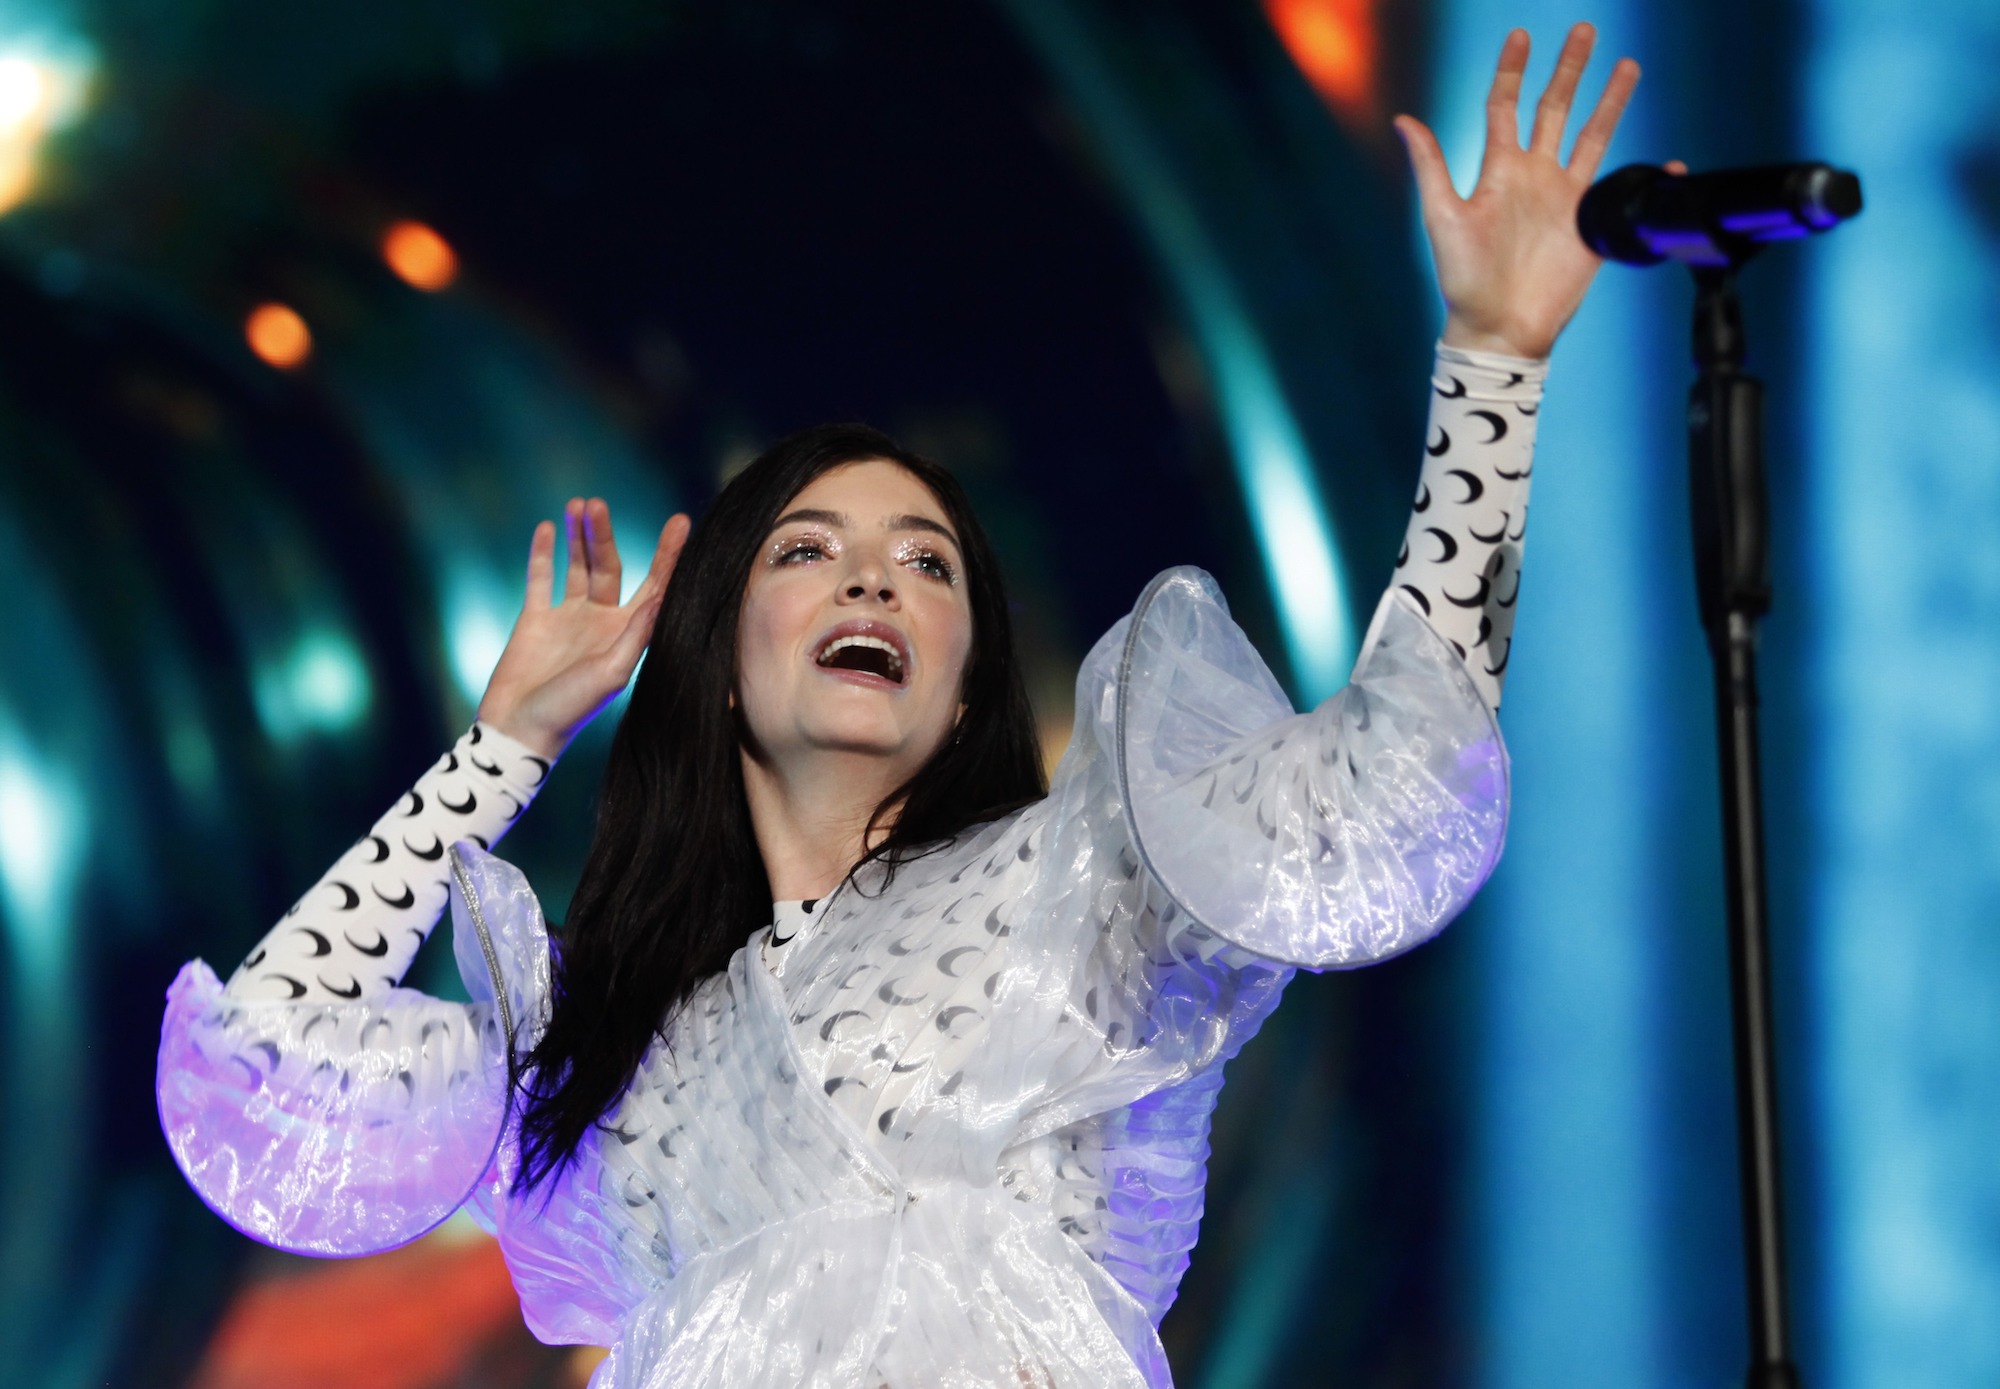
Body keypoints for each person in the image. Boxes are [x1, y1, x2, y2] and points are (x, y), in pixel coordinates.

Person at [158, 25, 1649, 1388]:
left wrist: (1494, 368)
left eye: (924, 563)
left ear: (963, 671)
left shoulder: (1087, 891)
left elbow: (1389, 792)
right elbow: (267, 1077)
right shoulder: (610, 1044)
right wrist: (504, 746)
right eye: (810, 552)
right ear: (720, 653)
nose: (874, 583)